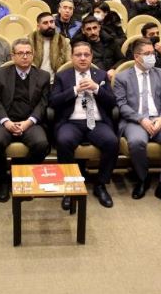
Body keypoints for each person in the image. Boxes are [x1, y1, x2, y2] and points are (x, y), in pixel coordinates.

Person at [115, 38, 161, 208]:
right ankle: (143, 179)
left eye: (153, 53)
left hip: (159, 118)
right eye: (147, 54)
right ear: (136, 57)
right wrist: (140, 119)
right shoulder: (122, 77)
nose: (152, 57)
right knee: (136, 141)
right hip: (135, 120)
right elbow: (122, 105)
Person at [50, 42, 118, 208]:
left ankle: (100, 184)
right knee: (64, 141)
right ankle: (69, 187)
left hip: (96, 121)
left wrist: (97, 89)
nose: (82, 58)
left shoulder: (101, 75)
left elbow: (112, 103)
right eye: (78, 55)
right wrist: (75, 90)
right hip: (72, 121)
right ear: (72, 57)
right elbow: (53, 102)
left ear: (91, 57)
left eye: (86, 55)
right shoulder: (62, 76)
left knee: (112, 141)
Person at [0, 38, 51, 202]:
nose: (25, 56)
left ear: (33, 55)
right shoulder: (0, 74)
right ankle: (2, 180)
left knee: (42, 144)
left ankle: (22, 176)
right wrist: (6, 122)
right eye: (20, 53)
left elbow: (43, 104)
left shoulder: (43, 76)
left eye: (28, 53)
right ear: (12, 56)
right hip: (5, 121)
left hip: (30, 122)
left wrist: (29, 122)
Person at [30, 12, 71, 81]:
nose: (49, 25)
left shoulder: (64, 42)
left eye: (52, 22)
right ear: (38, 26)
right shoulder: (29, 41)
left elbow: (68, 64)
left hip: (57, 81)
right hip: (35, 81)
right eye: (45, 23)